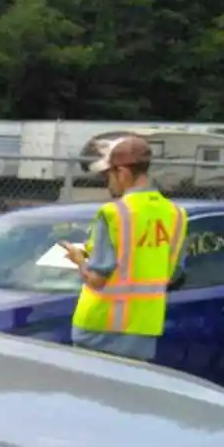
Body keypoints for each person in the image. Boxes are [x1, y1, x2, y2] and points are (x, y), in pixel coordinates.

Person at [60, 134, 187, 362]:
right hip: (143, 332)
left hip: (99, 328)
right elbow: (174, 274)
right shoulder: (176, 215)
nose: (108, 184)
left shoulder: (113, 213)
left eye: (108, 176)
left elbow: (97, 279)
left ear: (124, 173)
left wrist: (79, 259)